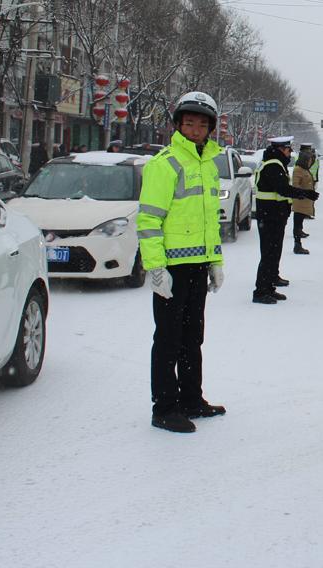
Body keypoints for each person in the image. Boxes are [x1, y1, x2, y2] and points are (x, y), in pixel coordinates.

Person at [136, 91, 226, 434]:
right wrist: (156, 268)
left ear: (210, 129)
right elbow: (148, 221)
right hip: (171, 270)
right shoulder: (166, 163)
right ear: (178, 125)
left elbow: (209, 222)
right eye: (189, 123)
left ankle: (191, 399)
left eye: (202, 125)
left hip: (198, 266)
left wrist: (215, 261)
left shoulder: (208, 165)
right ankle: (165, 407)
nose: (195, 129)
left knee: (193, 337)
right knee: (168, 340)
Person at [252, 136, 318, 305]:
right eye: (288, 150)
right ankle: (260, 291)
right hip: (270, 216)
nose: (290, 154)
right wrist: (304, 193)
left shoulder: (275, 163)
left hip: (273, 215)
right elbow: (282, 189)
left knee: (273, 253)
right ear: (281, 149)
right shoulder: (273, 165)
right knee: (268, 254)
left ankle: (270, 287)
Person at [291, 145, 316, 254]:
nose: (310, 162)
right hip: (299, 202)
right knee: (297, 223)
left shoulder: (305, 169)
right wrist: (307, 193)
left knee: (299, 224)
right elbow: (296, 186)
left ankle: (298, 243)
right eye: (309, 160)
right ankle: (297, 245)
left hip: (304, 201)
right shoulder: (298, 170)